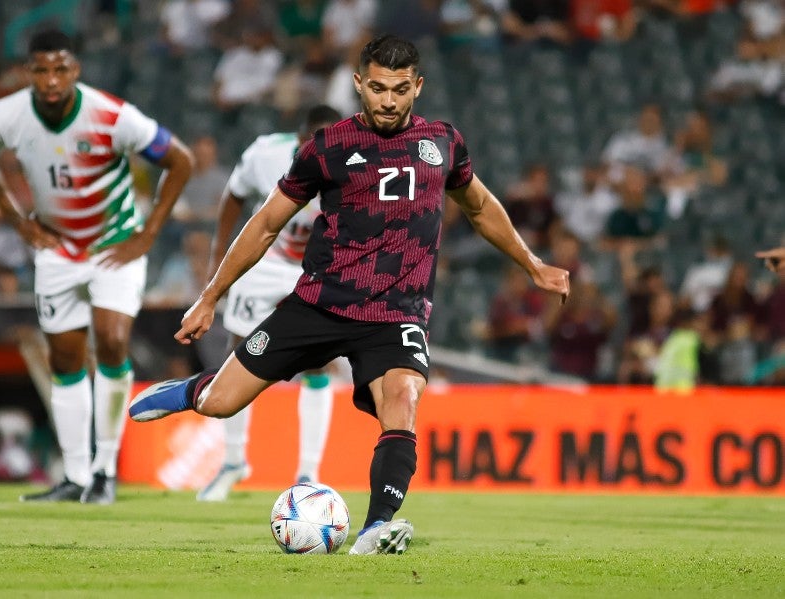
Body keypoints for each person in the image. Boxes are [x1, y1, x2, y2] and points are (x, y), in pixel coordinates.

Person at [128, 34, 569, 554]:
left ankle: (376, 527)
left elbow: (479, 205)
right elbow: (267, 221)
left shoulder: (443, 142)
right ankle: (191, 391)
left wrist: (532, 263)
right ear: (359, 84)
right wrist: (210, 296)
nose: (388, 100)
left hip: (395, 314)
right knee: (222, 404)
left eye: (400, 89)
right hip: (321, 302)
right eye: (378, 88)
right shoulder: (328, 146)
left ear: (417, 87)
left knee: (403, 399)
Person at [0, 30, 194, 503]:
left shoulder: (111, 116)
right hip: (57, 250)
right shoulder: (6, 116)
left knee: (111, 342)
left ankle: (105, 471)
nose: (51, 80)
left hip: (114, 246)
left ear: (76, 70)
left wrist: (148, 233)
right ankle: (74, 477)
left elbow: (180, 160)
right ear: (28, 72)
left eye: (60, 68)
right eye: (41, 69)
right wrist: (18, 222)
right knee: (65, 361)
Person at [197, 104, 342, 502]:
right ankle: (232, 462)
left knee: (318, 362)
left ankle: (308, 472)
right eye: (315, 142)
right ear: (300, 141)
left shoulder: (355, 164)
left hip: (318, 267)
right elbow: (234, 196)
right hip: (267, 261)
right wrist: (217, 258)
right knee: (238, 353)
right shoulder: (265, 154)